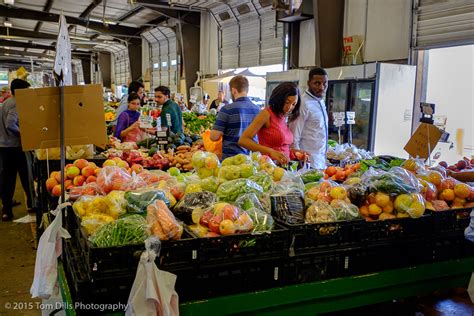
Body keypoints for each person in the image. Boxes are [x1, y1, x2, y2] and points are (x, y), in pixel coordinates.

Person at [238, 82, 301, 165]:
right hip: (267, 168)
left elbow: (282, 147)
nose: (289, 107)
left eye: (293, 104)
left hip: (283, 169)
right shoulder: (266, 114)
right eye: (287, 102)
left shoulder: (283, 117)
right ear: (279, 99)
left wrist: (296, 154)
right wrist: (270, 151)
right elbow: (243, 140)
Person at [0, 79, 34, 221]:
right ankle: (32, 204)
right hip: (15, 147)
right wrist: (23, 133)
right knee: (26, 176)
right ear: (20, 91)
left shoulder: (6, 102)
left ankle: (6, 210)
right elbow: (10, 124)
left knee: (7, 179)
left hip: (4, 146)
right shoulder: (17, 103)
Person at [210, 75, 260, 160]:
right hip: (251, 160)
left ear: (234, 91)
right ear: (247, 90)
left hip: (230, 160)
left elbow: (214, 137)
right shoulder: (258, 110)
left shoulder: (227, 109)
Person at [289, 67, 329, 169]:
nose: (322, 87)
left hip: (321, 161)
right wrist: (300, 162)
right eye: (317, 83)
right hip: (307, 164)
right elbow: (294, 136)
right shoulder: (303, 103)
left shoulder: (321, 101)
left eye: (325, 83)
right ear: (308, 83)